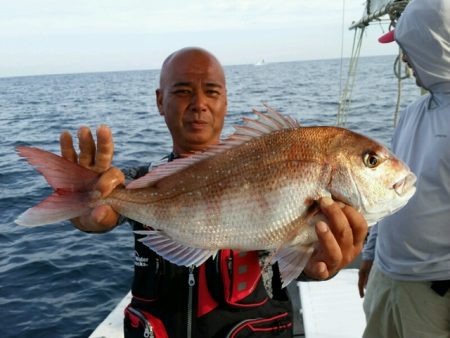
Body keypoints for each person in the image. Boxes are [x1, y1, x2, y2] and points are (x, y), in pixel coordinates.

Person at [60, 47, 368, 337]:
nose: (199, 103)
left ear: (226, 100)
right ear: (159, 100)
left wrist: (315, 267)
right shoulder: (144, 179)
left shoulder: (270, 161)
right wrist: (88, 208)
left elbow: (291, 259)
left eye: (212, 91)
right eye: (182, 91)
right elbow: (110, 201)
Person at [358, 1, 450, 337]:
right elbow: (389, 188)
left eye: (407, 47)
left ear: (432, 45)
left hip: (435, 294)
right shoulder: (413, 112)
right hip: (387, 277)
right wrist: (370, 253)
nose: (404, 58)